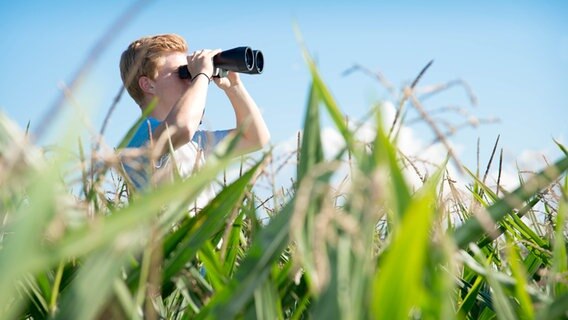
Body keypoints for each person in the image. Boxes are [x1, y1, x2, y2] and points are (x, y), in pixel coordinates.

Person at [118, 34, 270, 207]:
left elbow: (255, 138)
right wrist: (202, 75)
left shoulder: (195, 143)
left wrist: (234, 87)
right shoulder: (140, 136)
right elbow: (181, 127)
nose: (189, 78)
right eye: (181, 72)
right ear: (148, 84)